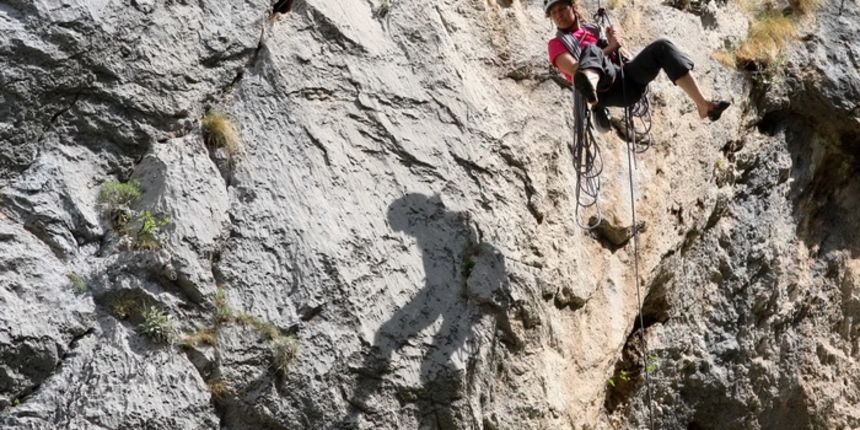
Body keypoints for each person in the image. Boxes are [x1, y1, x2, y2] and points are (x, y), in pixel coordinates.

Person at [545, 0, 730, 132]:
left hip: (628, 80)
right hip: (605, 91)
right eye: (554, 13)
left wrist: (615, 43)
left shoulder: (594, 30)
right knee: (590, 52)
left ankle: (703, 105)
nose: (559, 15)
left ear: (574, 7)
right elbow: (574, 69)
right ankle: (590, 90)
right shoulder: (556, 44)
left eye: (562, 8)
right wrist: (609, 47)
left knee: (662, 46)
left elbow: (620, 56)